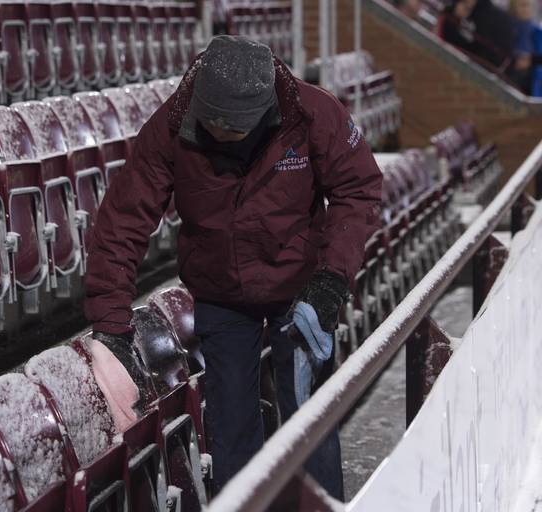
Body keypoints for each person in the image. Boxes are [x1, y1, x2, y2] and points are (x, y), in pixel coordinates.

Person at [84, 35, 383, 499]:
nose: (221, 134)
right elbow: (126, 216)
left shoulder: (311, 113)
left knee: (311, 417)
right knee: (231, 427)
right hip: (221, 293)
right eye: (214, 124)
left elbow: (358, 190)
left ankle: (322, 505)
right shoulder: (173, 123)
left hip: (301, 292)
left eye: (233, 128)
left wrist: (330, 281)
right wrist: (110, 319)